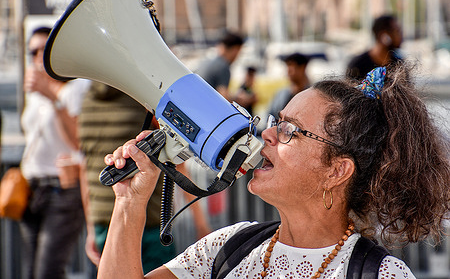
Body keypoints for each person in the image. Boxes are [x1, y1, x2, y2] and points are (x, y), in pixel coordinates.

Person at [97, 63, 449, 278]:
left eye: (290, 131)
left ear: (336, 170)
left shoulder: (379, 274)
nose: (266, 134)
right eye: (276, 122)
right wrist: (130, 202)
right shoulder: (229, 246)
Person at [78, 83, 211, 273]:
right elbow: (176, 159)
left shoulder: (87, 101)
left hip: (102, 220)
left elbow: (85, 167)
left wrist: (91, 227)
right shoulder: (143, 98)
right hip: (148, 219)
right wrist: (201, 224)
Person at [19, 26, 90, 279]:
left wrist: (52, 96)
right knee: (30, 270)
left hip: (62, 190)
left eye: (43, 49)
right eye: (32, 51)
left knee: (47, 271)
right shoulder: (34, 92)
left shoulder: (76, 88)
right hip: (32, 188)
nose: (38, 56)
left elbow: (78, 141)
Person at [347, 14, 403, 80]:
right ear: (384, 36)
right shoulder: (358, 65)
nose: (401, 35)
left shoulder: (399, 64)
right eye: (397, 31)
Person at [196, 31, 244, 101]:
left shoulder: (207, 62)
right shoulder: (223, 67)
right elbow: (224, 99)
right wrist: (239, 99)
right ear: (235, 50)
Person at [268, 52, 310, 117]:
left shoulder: (311, 95)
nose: (288, 71)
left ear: (302, 68)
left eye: (291, 66)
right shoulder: (281, 94)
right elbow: (270, 116)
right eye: (287, 66)